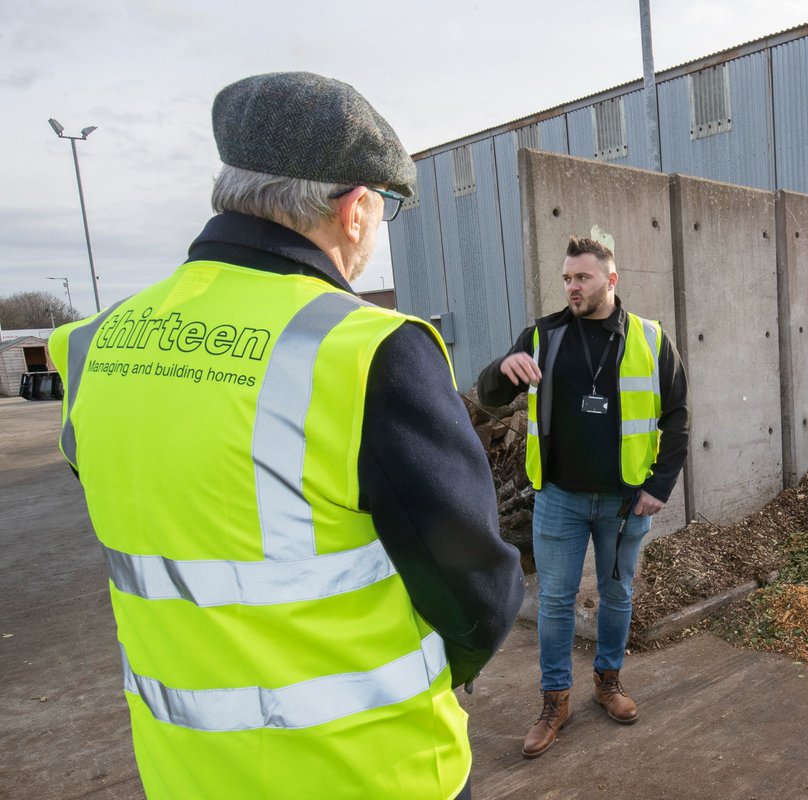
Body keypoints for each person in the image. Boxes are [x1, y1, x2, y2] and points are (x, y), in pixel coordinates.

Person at [48, 72, 523, 800]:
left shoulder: (93, 347)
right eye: (383, 206)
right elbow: (477, 591)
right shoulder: (368, 351)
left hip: (185, 772)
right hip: (371, 771)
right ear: (355, 207)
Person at [477, 236, 689, 758]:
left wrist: (658, 486)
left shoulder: (651, 339)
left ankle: (608, 682)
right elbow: (488, 394)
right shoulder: (543, 336)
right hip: (560, 500)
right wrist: (504, 369)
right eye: (567, 278)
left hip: (624, 504)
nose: (572, 286)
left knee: (617, 596)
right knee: (554, 602)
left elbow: (678, 415)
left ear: (610, 281)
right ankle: (554, 701)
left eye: (583, 278)